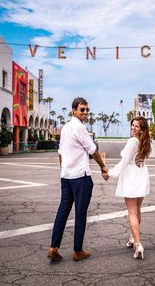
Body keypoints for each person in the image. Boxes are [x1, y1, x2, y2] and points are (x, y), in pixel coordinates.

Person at [48, 97, 108, 262]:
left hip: (66, 177)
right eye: (82, 109)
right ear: (74, 110)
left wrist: (64, 170)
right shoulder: (79, 128)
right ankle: (78, 251)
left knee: (63, 211)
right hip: (80, 178)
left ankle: (54, 247)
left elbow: (60, 153)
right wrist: (103, 166)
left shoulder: (66, 127)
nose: (85, 113)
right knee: (80, 214)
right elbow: (93, 150)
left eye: (87, 110)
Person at [105, 116, 151, 259]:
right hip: (141, 174)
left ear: (142, 129)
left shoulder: (132, 141)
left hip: (132, 176)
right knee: (137, 211)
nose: (133, 128)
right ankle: (132, 237)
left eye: (136, 126)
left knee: (132, 212)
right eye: (132, 125)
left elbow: (124, 162)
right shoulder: (146, 141)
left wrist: (110, 173)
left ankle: (138, 244)